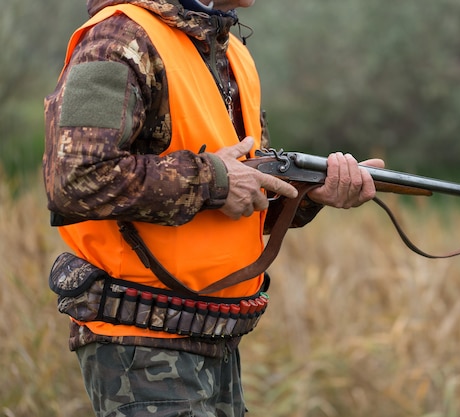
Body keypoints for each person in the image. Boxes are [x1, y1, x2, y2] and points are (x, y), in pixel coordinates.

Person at [43, 0, 384, 416]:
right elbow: (75, 177)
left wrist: (310, 197)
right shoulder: (117, 39)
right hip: (139, 341)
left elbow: (237, 202)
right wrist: (213, 180)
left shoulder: (228, 52)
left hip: (214, 335)